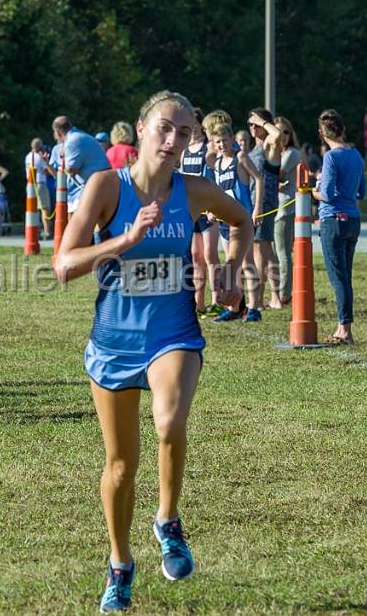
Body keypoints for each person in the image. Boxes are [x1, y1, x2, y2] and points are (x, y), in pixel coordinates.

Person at [53, 91, 252, 614]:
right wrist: (122, 240)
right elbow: (63, 265)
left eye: (185, 133)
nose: (173, 140)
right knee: (120, 466)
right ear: (140, 130)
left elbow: (243, 221)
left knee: (169, 421)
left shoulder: (193, 191)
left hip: (173, 332)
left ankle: (167, 521)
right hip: (114, 340)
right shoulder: (105, 187)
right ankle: (120, 564)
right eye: (165, 128)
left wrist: (230, 272)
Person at [207, 109, 266, 322]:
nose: (222, 145)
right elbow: (218, 193)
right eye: (217, 142)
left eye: (224, 140)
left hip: (242, 221)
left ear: (233, 139)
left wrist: (257, 208)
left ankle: (254, 307)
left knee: (247, 263)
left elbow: (259, 180)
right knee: (232, 265)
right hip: (224, 221)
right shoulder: (217, 163)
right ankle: (235, 307)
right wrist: (213, 211)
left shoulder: (240, 158)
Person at [313, 109, 365, 345]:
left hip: (333, 219)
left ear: (322, 135)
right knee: (345, 276)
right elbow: (361, 191)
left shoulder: (331, 157)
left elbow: (328, 194)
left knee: (338, 278)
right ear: (342, 130)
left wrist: (312, 192)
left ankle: (345, 329)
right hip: (353, 219)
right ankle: (342, 326)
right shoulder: (356, 155)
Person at [179, 108, 221, 316]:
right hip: (191, 209)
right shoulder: (185, 150)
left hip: (207, 208)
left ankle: (217, 301)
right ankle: (199, 303)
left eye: (195, 123)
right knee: (196, 257)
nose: (193, 127)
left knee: (211, 255)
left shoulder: (208, 147)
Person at [247, 108, 285, 309]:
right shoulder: (253, 149)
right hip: (253, 203)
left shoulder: (269, 145)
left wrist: (262, 121)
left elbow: (277, 134)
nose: (252, 127)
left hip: (265, 204)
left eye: (256, 123)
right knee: (265, 250)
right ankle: (275, 297)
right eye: (250, 123)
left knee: (261, 248)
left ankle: (261, 298)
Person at [53, 116, 111, 215]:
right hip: (100, 185)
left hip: (87, 190)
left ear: (57, 132)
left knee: (73, 225)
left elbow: (71, 170)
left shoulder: (72, 141)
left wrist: (63, 161)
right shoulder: (80, 135)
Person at [273, 116, 301, 304]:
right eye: (278, 131)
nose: (281, 136)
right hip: (273, 208)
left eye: (285, 132)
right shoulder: (275, 153)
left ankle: (285, 294)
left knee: (282, 252)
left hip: (285, 208)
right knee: (275, 252)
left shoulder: (291, 153)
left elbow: (276, 175)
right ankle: (280, 291)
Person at [26, 138, 56, 239]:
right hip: (40, 184)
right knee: (45, 209)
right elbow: (46, 170)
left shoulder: (28, 156)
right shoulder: (39, 157)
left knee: (33, 210)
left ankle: (34, 232)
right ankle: (47, 232)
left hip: (30, 185)